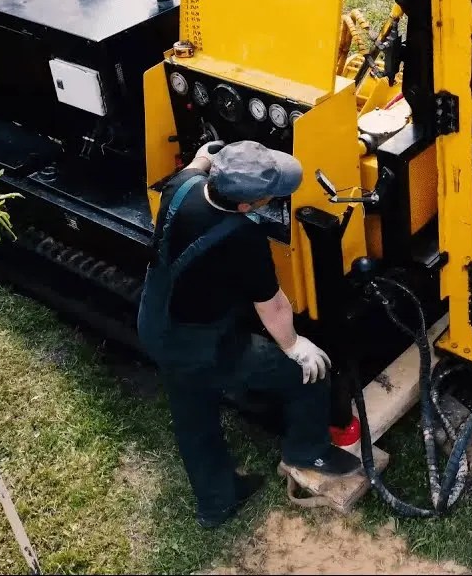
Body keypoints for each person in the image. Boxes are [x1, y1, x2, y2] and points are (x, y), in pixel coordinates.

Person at [138, 139, 362, 528]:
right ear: (246, 206)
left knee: (193, 418)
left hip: (155, 323)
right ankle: (305, 450)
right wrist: (295, 346)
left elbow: (200, 160)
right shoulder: (243, 237)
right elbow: (272, 305)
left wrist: (211, 152)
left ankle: (216, 504)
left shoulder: (183, 186)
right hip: (203, 345)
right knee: (306, 376)